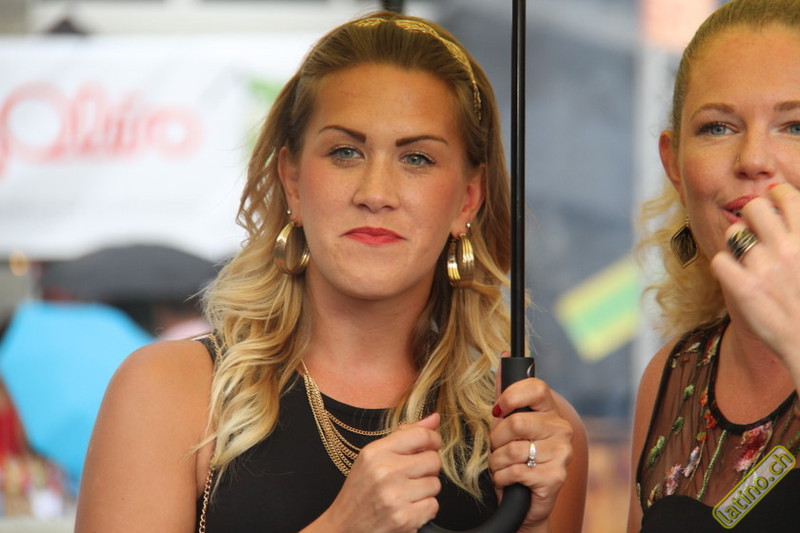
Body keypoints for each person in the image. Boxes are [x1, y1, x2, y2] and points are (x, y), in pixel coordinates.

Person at [75, 10, 588, 533]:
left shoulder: (530, 437)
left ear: (468, 200)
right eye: (345, 152)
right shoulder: (168, 392)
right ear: (293, 182)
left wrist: (530, 524)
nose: (375, 193)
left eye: (416, 159)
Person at [628, 1, 800, 531]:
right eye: (718, 128)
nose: (753, 159)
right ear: (674, 166)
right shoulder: (673, 375)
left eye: (795, 126)